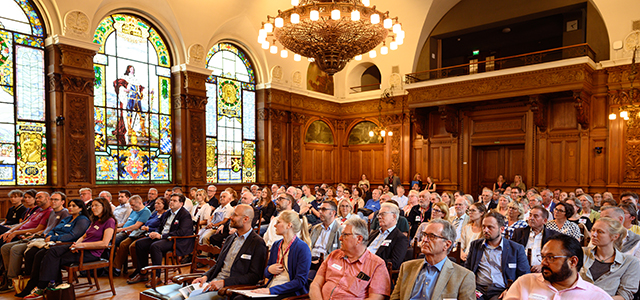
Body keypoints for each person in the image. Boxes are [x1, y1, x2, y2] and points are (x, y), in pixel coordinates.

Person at [23, 197, 115, 299]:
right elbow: (84, 236)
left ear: (104, 207)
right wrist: (76, 244)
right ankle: (52, 285)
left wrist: (82, 245)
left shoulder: (109, 221)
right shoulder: (96, 220)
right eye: (92, 206)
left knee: (53, 258)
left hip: (91, 253)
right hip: (81, 248)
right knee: (51, 252)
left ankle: (45, 286)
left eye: (96, 205)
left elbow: (105, 243)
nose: (93, 208)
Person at [179, 205, 268, 300]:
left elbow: (254, 276)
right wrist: (205, 277)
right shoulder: (230, 238)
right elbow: (218, 265)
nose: (231, 217)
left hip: (228, 289)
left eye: (235, 215)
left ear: (245, 219)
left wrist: (224, 282)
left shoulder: (257, 243)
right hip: (212, 283)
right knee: (176, 298)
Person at [15, 199, 91, 298]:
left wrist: (54, 237)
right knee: (34, 253)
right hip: (55, 243)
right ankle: (34, 283)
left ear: (80, 208)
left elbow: (73, 235)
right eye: (69, 205)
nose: (70, 208)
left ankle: (41, 285)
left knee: (42, 255)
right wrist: (49, 236)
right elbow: (54, 229)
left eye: (73, 206)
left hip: (69, 245)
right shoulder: (68, 218)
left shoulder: (83, 220)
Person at [504, 234, 613, 300]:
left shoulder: (596, 296)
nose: (544, 262)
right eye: (542, 257)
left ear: (572, 262)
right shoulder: (525, 283)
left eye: (551, 257)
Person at [391, 219, 476, 300]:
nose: (424, 240)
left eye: (432, 236)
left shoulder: (463, 277)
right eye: (424, 235)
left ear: (446, 245)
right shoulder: (406, 267)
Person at [309, 217, 391, 300]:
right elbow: (315, 285)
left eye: (345, 235)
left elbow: (376, 298)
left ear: (359, 239)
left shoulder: (377, 265)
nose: (340, 238)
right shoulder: (333, 255)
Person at [128, 193, 194, 286]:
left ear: (181, 203)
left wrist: (162, 236)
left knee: (155, 246)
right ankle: (143, 273)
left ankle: (156, 276)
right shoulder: (167, 212)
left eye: (174, 201)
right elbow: (160, 226)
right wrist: (154, 233)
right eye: (171, 200)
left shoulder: (185, 215)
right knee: (139, 244)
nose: (171, 202)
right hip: (162, 237)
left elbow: (182, 232)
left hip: (176, 240)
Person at [243, 211, 311, 299]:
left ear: (289, 225)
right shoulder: (276, 245)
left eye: (278, 222)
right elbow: (267, 274)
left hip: (288, 291)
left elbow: (300, 281)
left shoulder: (302, 248)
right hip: (272, 287)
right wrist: (269, 270)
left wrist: (271, 291)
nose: (275, 225)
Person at [465, 211, 530, 300]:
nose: (485, 230)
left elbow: (524, 276)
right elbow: (467, 269)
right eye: (483, 227)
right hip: (479, 289)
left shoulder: (516, 249)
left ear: (501, 229)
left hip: (501, 290)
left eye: (490, 227)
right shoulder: (476, 245)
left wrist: (510, 289)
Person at [580, 217, 640, 300]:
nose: (593, 234)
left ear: (615, 236)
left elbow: (625, 295)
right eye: (593, 230)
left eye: (600, 232)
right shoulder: (581, 252)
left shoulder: (630, 262)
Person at [114, 196, 168, 277]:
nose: (156, 205)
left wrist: (148, 228)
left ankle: (140, 270)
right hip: (139, 232)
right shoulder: (154, 213)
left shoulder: (164, 214)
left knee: (134, 246)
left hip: (150, 234)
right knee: (123, 244)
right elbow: (146, 223)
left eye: (159, 203)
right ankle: (116, 267)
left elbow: (160, 227)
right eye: (156, 203)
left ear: (164, 205)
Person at [511, 206, 558, 273]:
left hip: (544, 270)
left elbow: (555, 256)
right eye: (530, 215)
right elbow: (512, 253)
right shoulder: (519, 232)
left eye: (535, 216)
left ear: (544, 221)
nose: (531, 218)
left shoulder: (553, 235)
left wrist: (542, 265)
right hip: (521, 269)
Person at [367, 203, 408, 270]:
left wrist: (370, 262)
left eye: (383, 214)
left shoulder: (400, 238)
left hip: (375, 270)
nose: (379, 217)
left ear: (394, 216)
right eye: (379, 215)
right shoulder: (374, 233)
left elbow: (394, 263)